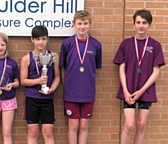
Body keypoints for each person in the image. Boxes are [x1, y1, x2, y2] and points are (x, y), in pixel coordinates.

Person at [113, 9, 165, 144]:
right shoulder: (126, 44)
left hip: (146, 90)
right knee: (129, 125)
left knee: (141, 124)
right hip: (129, 89)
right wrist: (125, 90)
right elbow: (121, 67)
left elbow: (156, 71)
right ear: (134, 24)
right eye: (138, 22)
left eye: (144, 23)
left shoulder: (155, 45)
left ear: (149, 25)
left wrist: (141, 90)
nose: (141, 25)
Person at [59, 10, 102, 144]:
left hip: (88, 92)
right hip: (71, 92)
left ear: (90, 25)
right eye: (79, 23)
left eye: (85, 23)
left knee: (84, 125)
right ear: (74, 25)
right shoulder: (67, 44)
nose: (82, 26)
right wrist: (66, 86)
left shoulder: (96, 45)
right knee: (73, 125)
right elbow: (63, 67)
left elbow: (95, 67)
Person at [20, 25, 60, 144]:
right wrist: (38, 81)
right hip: (32, 98)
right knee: (33, 132)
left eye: (43, 39)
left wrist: (52, 88)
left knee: (48, 132)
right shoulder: (26, 58)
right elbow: (23, 80)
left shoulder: (54, 57)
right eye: (37, 39)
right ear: (32, 39)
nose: (41, 42)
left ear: (47, 39)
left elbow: (58, 77)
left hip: (47, 98)